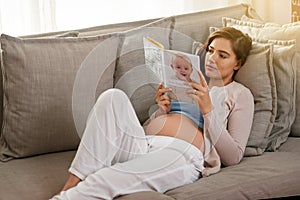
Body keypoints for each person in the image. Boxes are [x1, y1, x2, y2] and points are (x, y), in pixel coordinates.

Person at [51, 27, 254, 200]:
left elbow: (234, 156)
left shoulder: (239, 94)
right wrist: (161, 110)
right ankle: (74, 179)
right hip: (145, 143)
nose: (212, 58)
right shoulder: (187, 83)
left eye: (222, 55)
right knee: (112, 97)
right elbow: (152, 127)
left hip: (181, 155)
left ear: (238, 63)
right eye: (211, 51)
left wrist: (208, 111)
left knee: (107, 178)